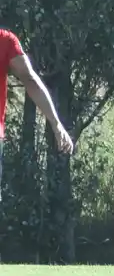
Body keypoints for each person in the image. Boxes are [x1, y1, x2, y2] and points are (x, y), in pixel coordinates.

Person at [0, 29, 75, 188]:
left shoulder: (5, 41)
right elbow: (30, 81)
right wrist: (56, 124)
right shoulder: (4, 40)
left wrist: (56, 124)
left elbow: (31, 80)